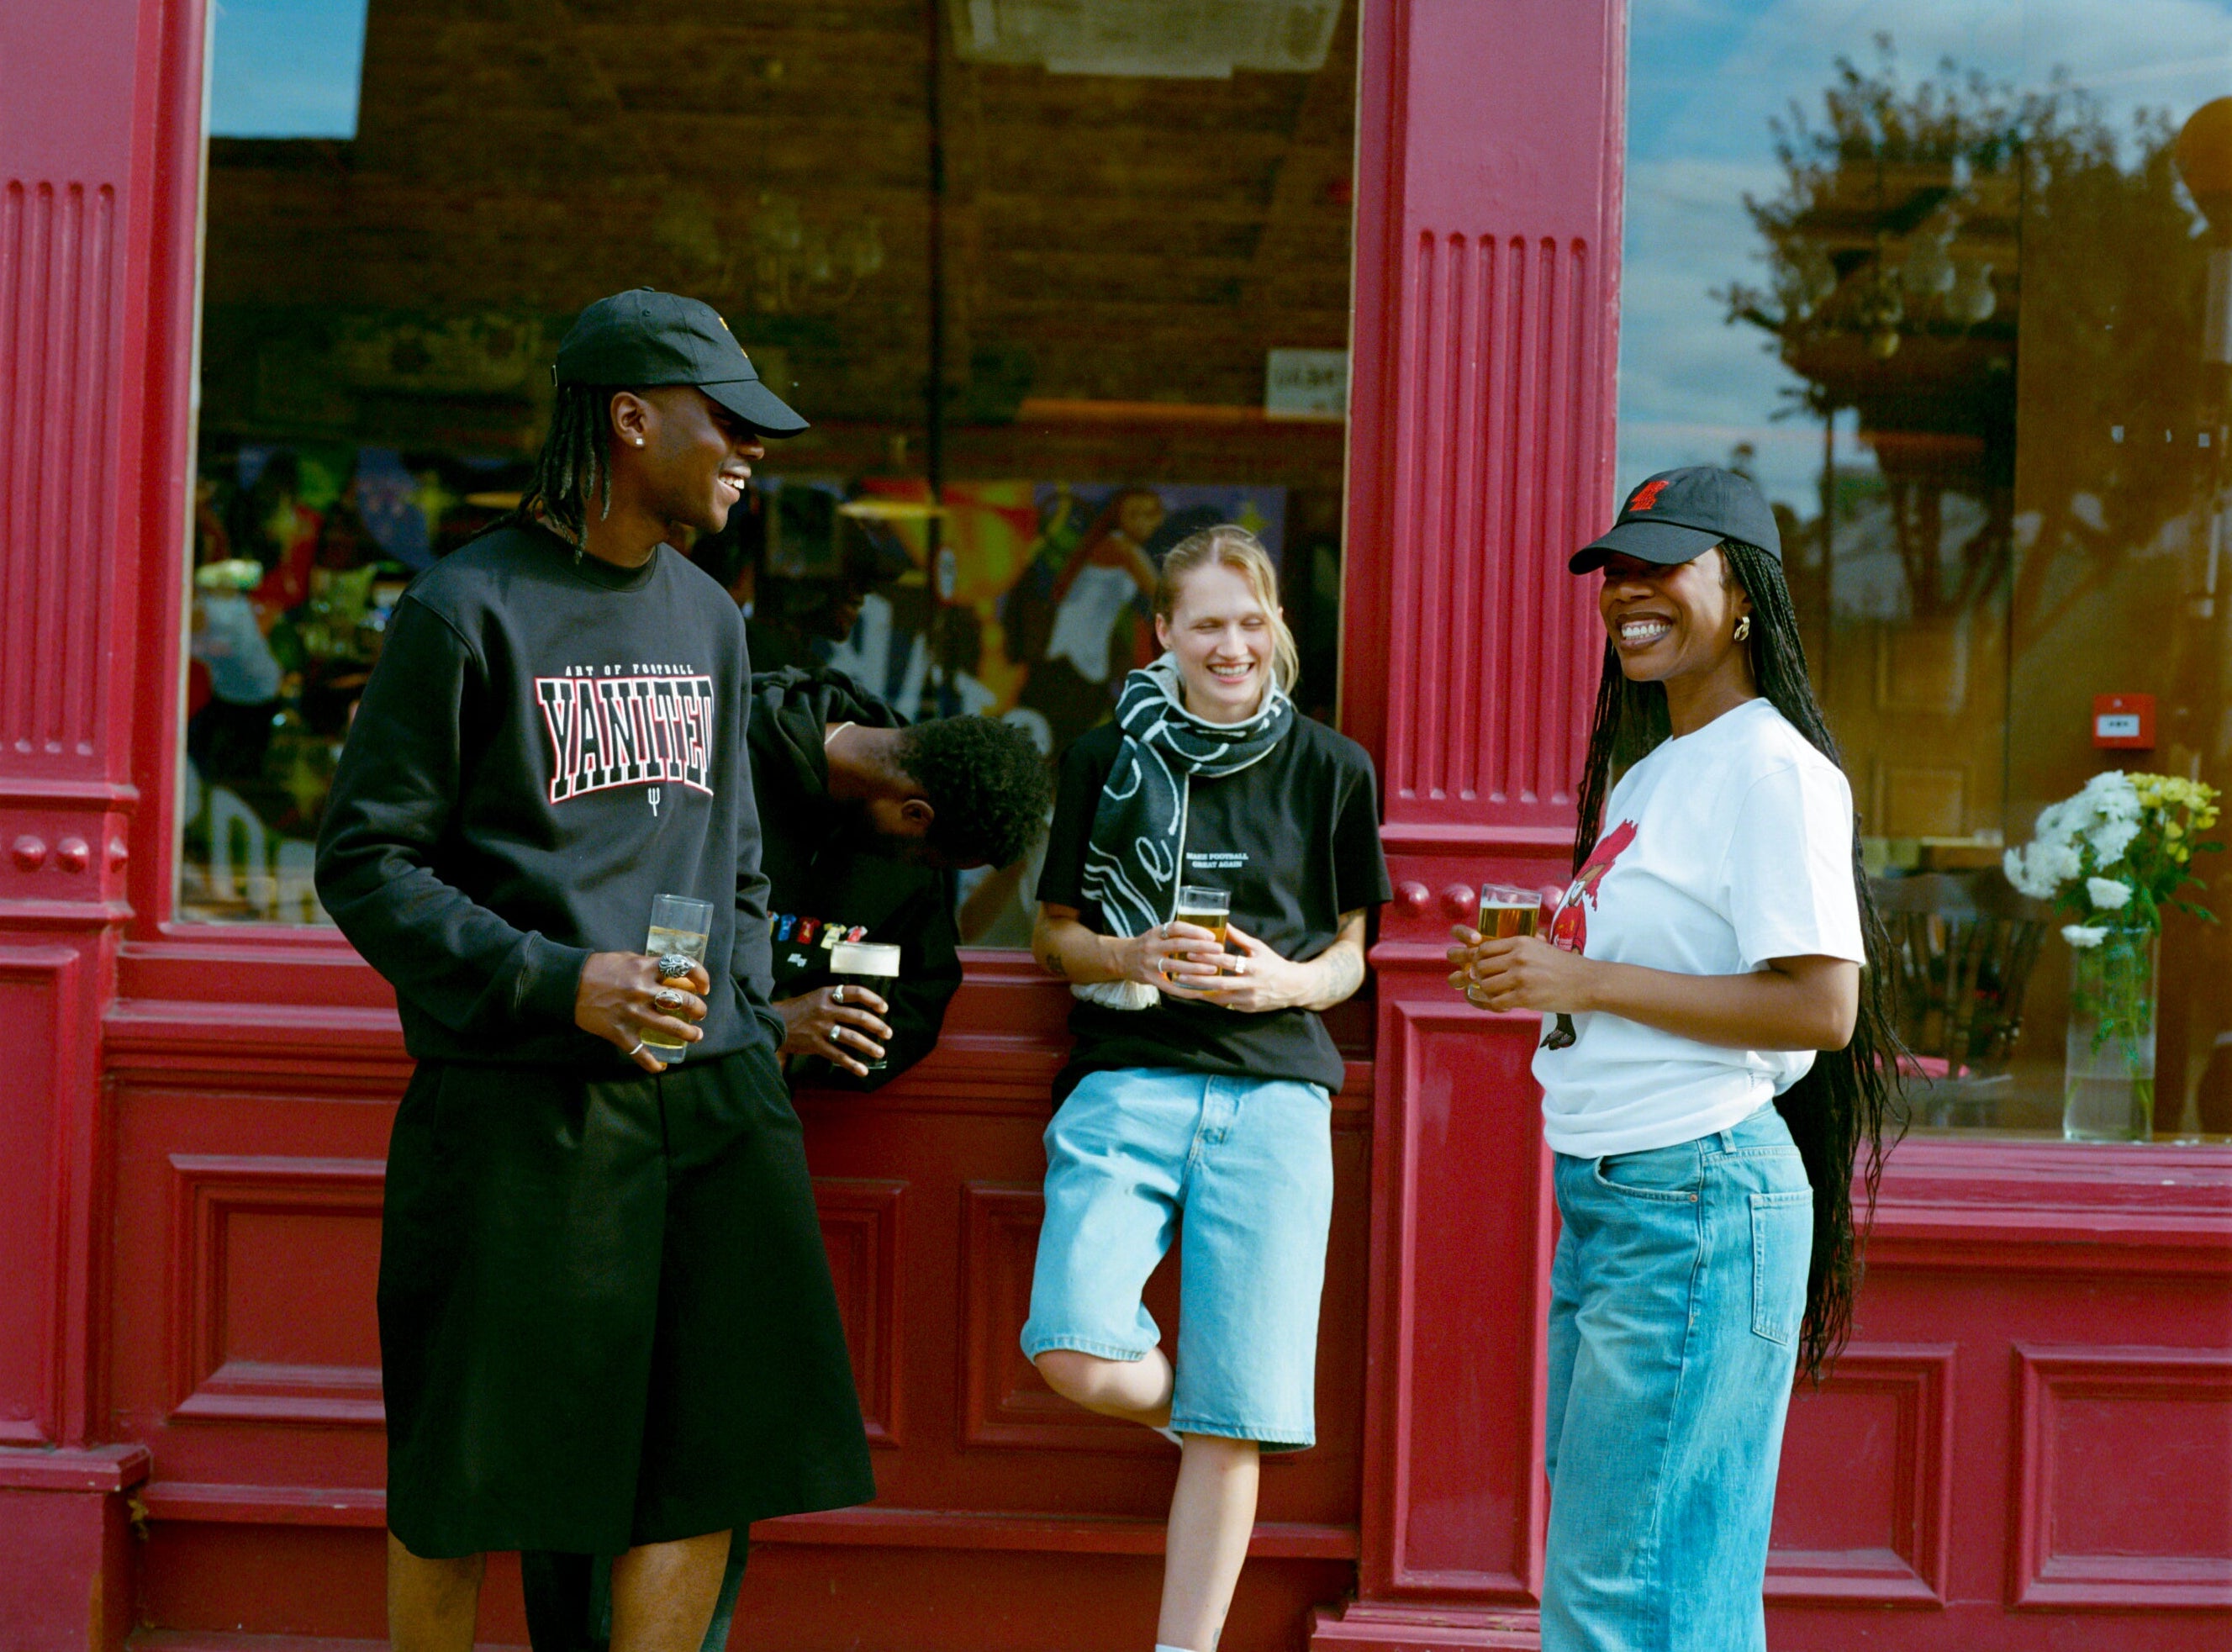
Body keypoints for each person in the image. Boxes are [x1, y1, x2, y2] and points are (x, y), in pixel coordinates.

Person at [314, 288, 875, 1652]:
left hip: (712, 1101)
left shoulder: (710, 615)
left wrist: (744, 1014)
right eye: (724, 421)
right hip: (520, 1105)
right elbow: (366, 862)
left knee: (711, 1461)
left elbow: (737, 854)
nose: (751, 450)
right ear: (629, 419)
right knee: (460, 1473)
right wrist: (562, 982)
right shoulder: (466, 607)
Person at [1447, 467, 1901, 1652]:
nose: (1625, 591)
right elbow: (1649, 974)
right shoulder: (1651, 772)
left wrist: (1585, 983)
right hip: (1619, 1197)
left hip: (1690, 1194)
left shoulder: (1773, 769)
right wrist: (1537, 975)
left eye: (1661, 566)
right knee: (1663, 1582)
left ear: (1743, 593)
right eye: (1614, 570)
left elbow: (1820, 1007)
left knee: (1621, 1593)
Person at [517, 665, 1049, 1650]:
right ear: (914, 812)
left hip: (741, 1147)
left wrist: (835, 1038)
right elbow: (611, 939)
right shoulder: (712, 739)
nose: (926, 875)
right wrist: (773, 1021)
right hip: (593, 1126)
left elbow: (916, 991)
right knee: (580, 1422)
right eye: (932, 855)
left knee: (718, 1441)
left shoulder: (909, 812)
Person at [1026, 525, 1391, 1652]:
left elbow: (1352, 953)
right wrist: (1129, 953)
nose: (1231, 645)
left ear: (1273, 626)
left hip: (1274, 1092)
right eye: (1206, 625)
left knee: (1236, 1422)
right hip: (1126, 1075)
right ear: (1164, 634)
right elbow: (1051, 936)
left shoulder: (1332, 767)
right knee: (1075, 1347)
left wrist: (1288, 981)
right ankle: (1204, 1407)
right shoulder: (1103, 758)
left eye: (1249, 621)